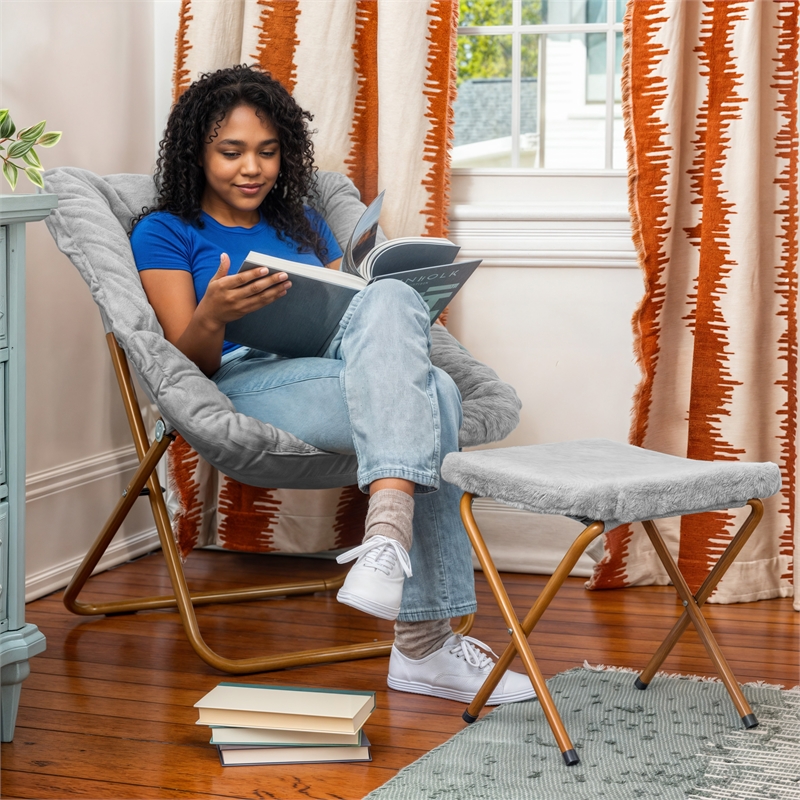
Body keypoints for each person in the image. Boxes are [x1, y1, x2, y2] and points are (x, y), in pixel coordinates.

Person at [130, 64, 534, 705]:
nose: (251, 168)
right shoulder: (165, 230)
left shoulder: (302, 224)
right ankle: (424, 642)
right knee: (441, 397)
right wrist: (215, 313)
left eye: (267, 151)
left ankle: (385, 541)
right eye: (231, 152)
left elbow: (344, 313)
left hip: (336, 366)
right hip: (245, 377)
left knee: (390, 294)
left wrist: (383, 299)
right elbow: (188, 364)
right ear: (196, 153)